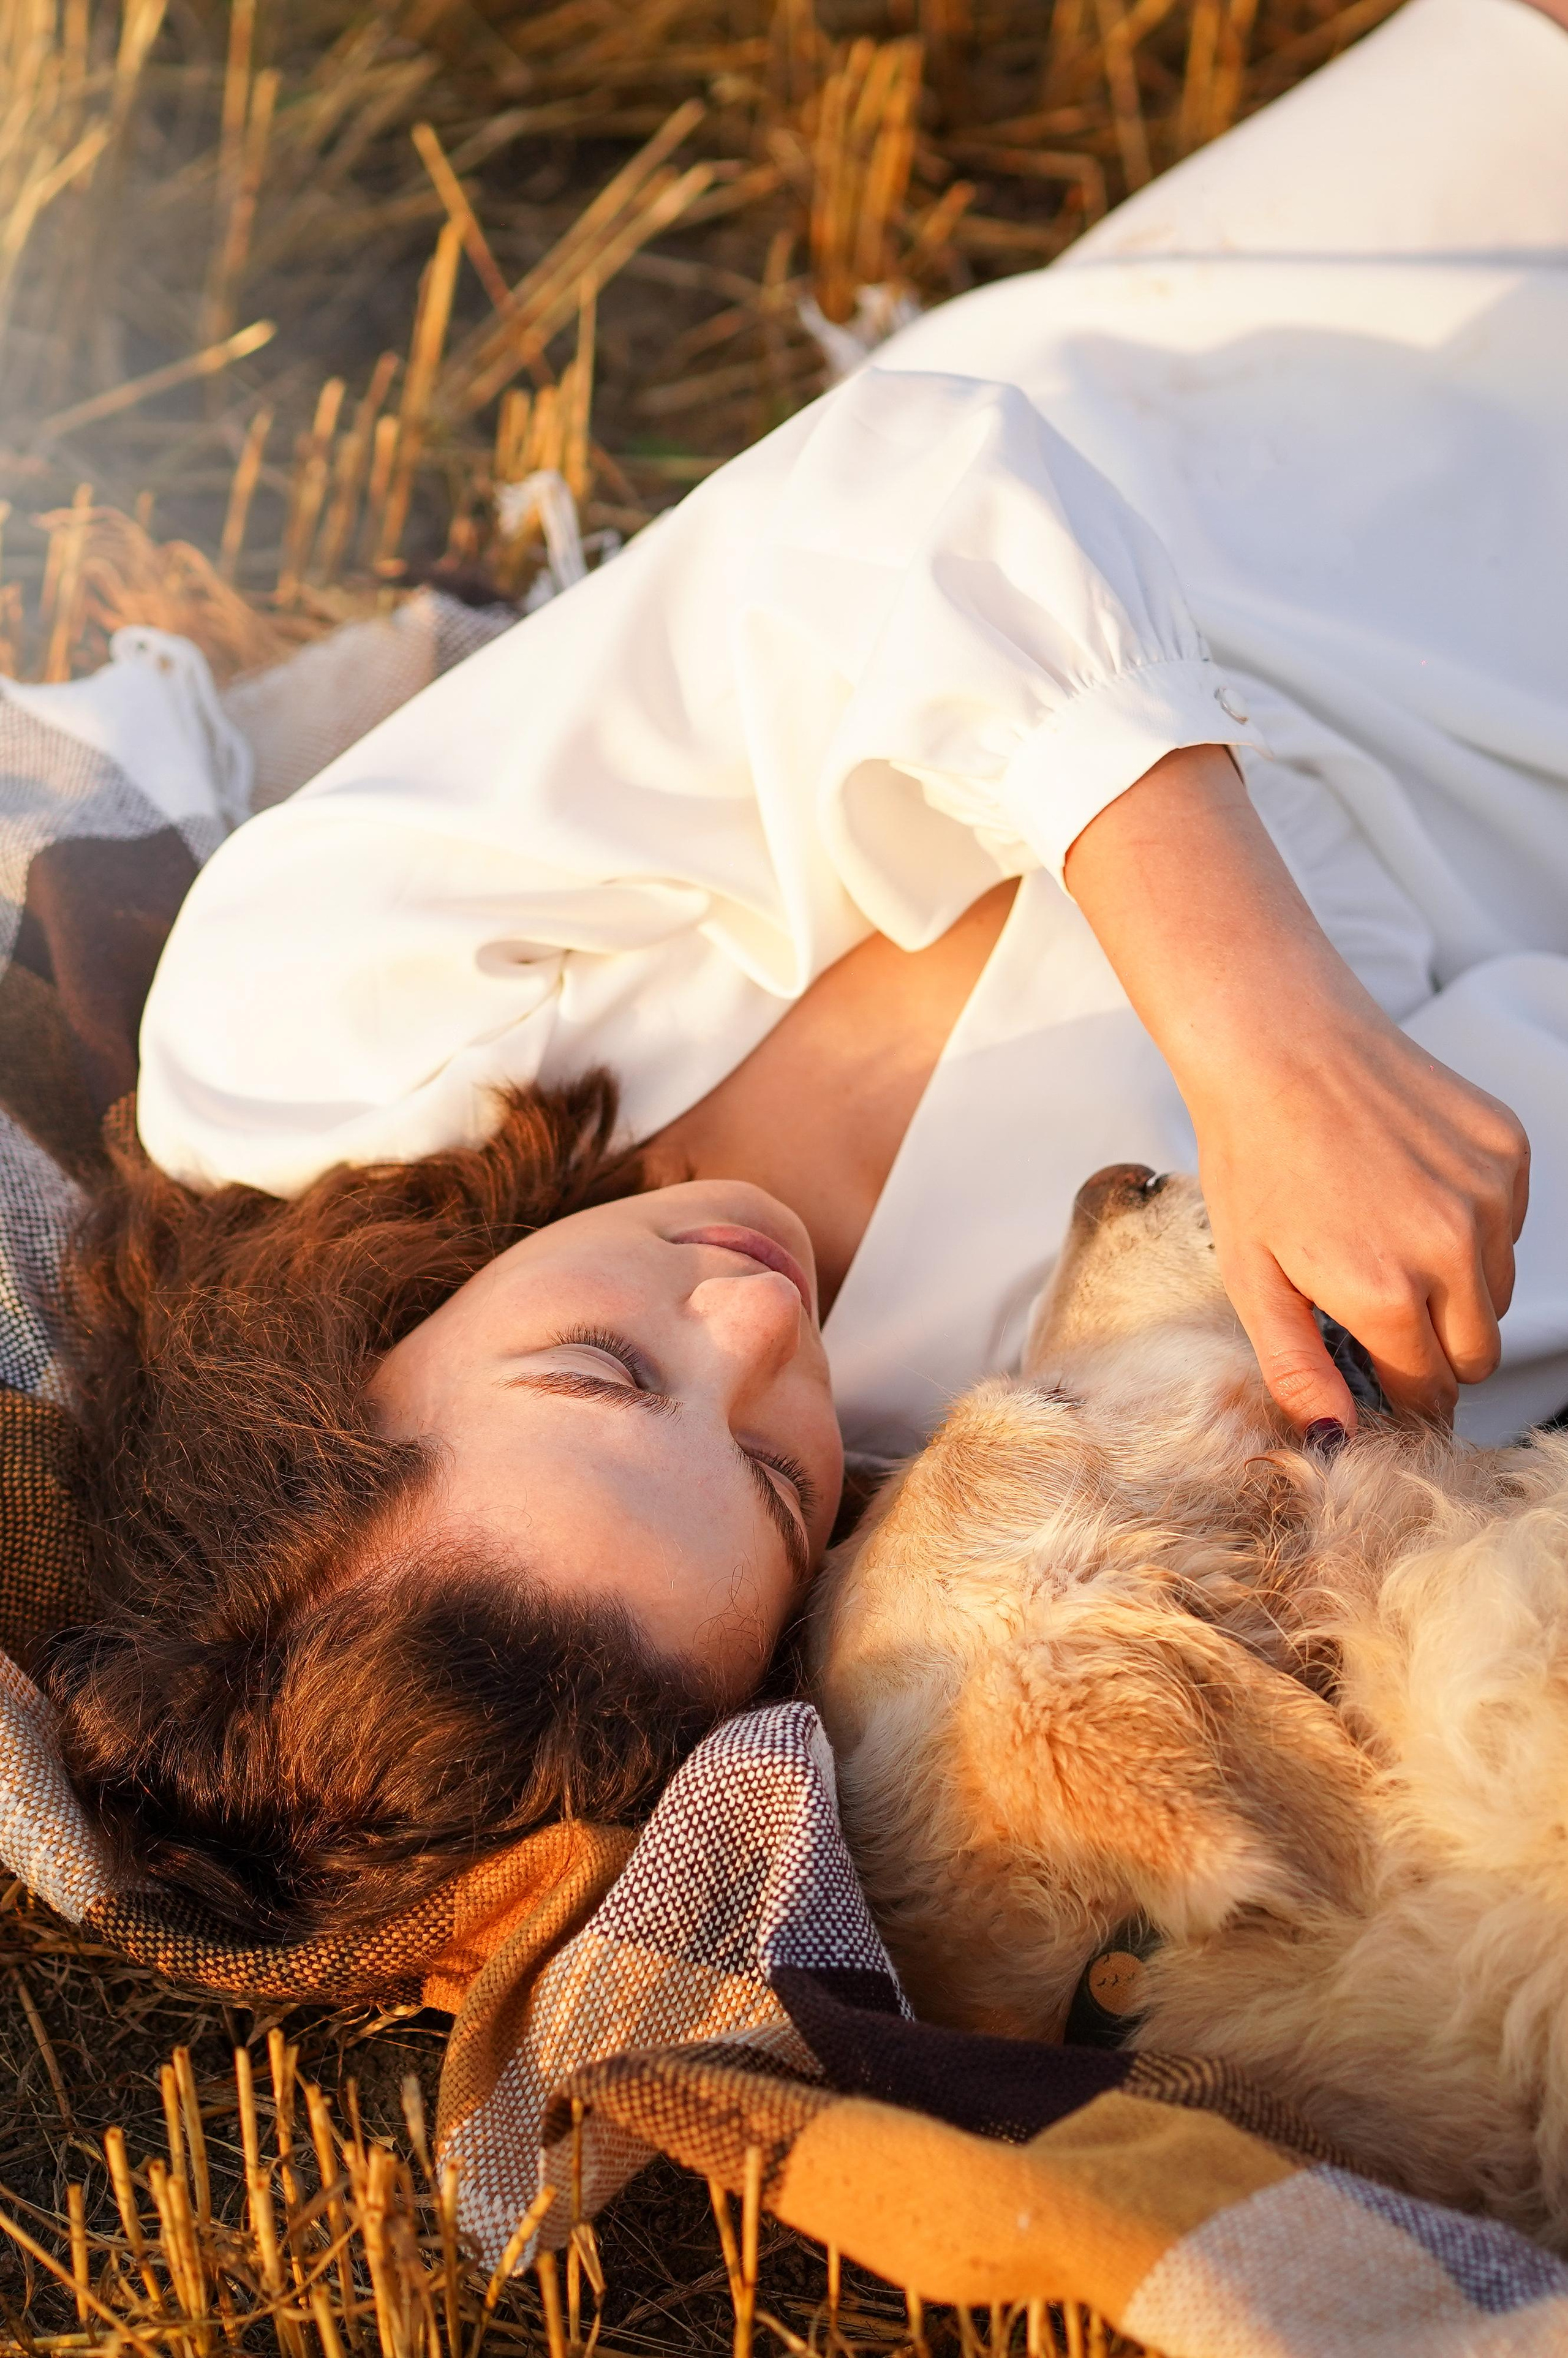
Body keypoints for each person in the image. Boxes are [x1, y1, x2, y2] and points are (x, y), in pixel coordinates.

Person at [50, 0, 1568, 1939]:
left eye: (604, 1366)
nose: (757, 1334)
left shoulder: (305, 1032)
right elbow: (1510, 1170)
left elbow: (905, 501)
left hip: (1297, 362)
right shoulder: (1027, 1414)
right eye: (769, 1485)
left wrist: (1269, 1033)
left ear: (351, 1368)